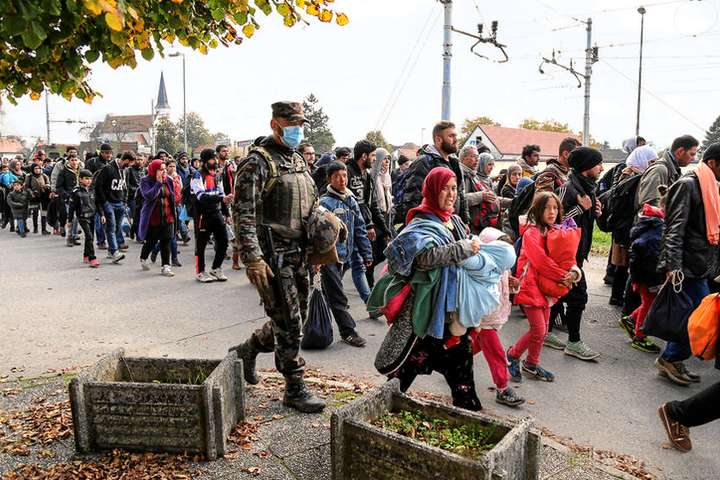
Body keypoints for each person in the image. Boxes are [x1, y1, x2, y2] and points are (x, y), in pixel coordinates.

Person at [229, 101, 325, 414]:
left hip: (301, 253)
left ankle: (249, 348)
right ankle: (294, 387)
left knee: (295, 317)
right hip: (275, 256)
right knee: (291, 322)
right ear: (275, 124)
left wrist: (323, 240)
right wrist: (253, 258)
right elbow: (243, 212)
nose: (297, 129)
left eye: (300, 123)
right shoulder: (258, 162)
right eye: (291, 123)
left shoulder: (297, 158)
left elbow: (309, 203)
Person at [377, 167, 484, 411]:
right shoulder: (421, 222)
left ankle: (469, 411)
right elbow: (423, 258)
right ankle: (381, 407)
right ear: (432, 190)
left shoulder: (454, 220)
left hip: (451, 311)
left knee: (461, 365)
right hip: (427, 314)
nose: (451, 194)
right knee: (404, 370)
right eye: (445, 188)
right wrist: (464, 249)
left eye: (454, 188)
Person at [654, 138, 712, 387]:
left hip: (701, 263)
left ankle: (673, 358)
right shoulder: (689, 185)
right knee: (695, 315)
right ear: (712, 164)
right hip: (686, 265)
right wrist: (673, 267)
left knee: (694, 314)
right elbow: (674, 229)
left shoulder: (709, 186)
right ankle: (670, 358)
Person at [507, 192, 578, 382]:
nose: (552, 212)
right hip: (530, 286)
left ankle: (531, 363)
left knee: (543, 330)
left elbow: (567, 258)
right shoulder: (531, 233)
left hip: (546, 288)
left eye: (555, 208)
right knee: (538, 329)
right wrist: (563, 276)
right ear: (538, 210)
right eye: (547, 208)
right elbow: (541, 262)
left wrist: (574, 273)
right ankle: (513, 355)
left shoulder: (556, 232)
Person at [545, 147, 603, 360]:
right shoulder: (568, 188)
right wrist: (581, 209)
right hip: (563, 254)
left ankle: (545, 332)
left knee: (559, 293)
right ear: (587, 166)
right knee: (579, 297)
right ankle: (574, 342)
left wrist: (595, 212)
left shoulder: (588, 187)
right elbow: (553, 222)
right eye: (598, 164)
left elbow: (583, 222)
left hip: (575, 252)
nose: (601, 168)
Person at [319, 161, 373, 347]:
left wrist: (366, 253)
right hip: (329, 257)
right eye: (337, 177)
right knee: (338, 295)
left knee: (327, 295)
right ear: (329, 179)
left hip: (347, 255)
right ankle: (348, 331)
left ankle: (314, 323)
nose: (342, 180)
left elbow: (359, 227)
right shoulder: (324, 203)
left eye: (344, 176)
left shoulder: (350, 199)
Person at [473, 227, 526, 407]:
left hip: (496, 317)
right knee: (495, 353)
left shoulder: (502, 266)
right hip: (485, 319)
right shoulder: (481, 268)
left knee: (473, 346)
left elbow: (504, 288)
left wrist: (513, 284)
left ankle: (449, 363)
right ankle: (502, 388)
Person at [608, 145, 659, 307]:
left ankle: (617, 297)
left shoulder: (626, 172)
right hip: (628, 225)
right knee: (627, 265)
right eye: (651, 161)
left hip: (621, 225)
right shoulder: (635, 176)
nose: (653, 164)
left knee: (622, 265)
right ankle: (624, 301)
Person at [395, 121, 469, 227]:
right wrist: (421, 223)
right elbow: (413, 197)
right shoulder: (424, 161)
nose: (456, 140)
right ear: (438, 139)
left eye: (455, 136)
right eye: (451, 136)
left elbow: (461, 194)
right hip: (431, 223)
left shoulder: (455, 163)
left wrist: (464, 221)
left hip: (450, 222)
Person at [619, 192, 666, 353]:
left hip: (641, 275)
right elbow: (653, 260)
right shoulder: (657, 233)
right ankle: (639, 336)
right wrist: (655, 281)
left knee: (649, 302)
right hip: (649, 277)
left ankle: (631, 320)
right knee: (648, 304)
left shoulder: (649, 227)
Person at [346, 140, 389, 300]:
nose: (374, 159)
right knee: (349, 263)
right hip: (350, 227)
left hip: (364, 225)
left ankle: (369, 298)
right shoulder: (349, 173)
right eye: (372, 155)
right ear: (364, 156)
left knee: (364, 260)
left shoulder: (368, 176)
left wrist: (385, 229)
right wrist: (369, 225)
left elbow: (373, 205)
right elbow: (357, 204)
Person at [191, 149, 231, 282]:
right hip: (203, 215)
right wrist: (221, 199)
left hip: (217, 213)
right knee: (201, 245)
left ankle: (216, 268)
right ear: (205, 161)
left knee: (224, 241)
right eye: (212, 158)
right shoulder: (197, 176)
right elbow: (201, 196)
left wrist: (226, 212)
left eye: (215, 158)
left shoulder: (217, 176)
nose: (215, 161)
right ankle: (200, 272)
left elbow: (221, 194)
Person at [138, 159, 177, 277]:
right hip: (153, 218)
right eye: (161, 169)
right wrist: (158, 183)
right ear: (154, 170)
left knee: (166, 242)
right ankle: (143, 257)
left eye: (165, 169)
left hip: (168, 216)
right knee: (151, 241)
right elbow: (149, 196)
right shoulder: (145, 181)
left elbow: (172, 197)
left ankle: (166, 266)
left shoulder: (169, 180)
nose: (164, 172)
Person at [95, 150, 133, 263]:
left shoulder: (124, 171)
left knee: (117, 227)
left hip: (120, 203)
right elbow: (98, 186)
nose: (129, 166)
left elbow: (124, 186)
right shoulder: (108, 168)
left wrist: (124, 201)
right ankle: (114, 251)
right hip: (109, 203)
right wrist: (104, 202)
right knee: (111, 228)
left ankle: (111, 251)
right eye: (129, 163)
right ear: (126, 160)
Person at [150, 158, 183, 268]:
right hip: (164, 211)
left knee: (172, 235)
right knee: (170, 237)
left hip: (176, 207)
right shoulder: (164, 180)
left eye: (174, 166)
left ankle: (156, 250)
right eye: (170, 166)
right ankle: (173, 259)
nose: (172, 168)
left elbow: (180, 191)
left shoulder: (177, 177)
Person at [68, 170, 100, 268]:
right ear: (80, 179)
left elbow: (97, 203)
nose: (88, 181)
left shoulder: (92, 189)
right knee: (89, 236)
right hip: (82, 216)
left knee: (90, 237)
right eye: (86, 179)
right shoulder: (76, 191)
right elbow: (71, 207)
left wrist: (102, 215)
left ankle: (86, 254)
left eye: (90, 179)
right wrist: (69, 220)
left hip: (92, 215)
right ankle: (92, 258)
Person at [55, 152, 81, 247]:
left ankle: (74, 236)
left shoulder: (80, 171)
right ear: (68, 161)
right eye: (72, 160)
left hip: (79, 198)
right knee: (71, 219)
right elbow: (59, 187)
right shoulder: (63, 172)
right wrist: (66, 195)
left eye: (75, 160)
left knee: (77, 218)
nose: (74, 162)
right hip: (68, 199)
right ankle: (69, 237)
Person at [23, 163, 51, 234]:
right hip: (34, 197)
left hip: (44, 196)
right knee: (35, 213)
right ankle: (35, 228)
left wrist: (46, 186)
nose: (37, 170)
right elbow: (26, 187)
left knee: (44, 213)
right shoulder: (29, 177)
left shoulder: (44, 176)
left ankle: (44, 229)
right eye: (36, 168)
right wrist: (32, 192)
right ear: (32, 169)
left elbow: (48, 183)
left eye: (39, 168)